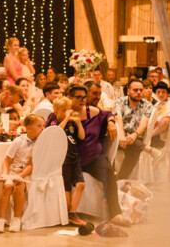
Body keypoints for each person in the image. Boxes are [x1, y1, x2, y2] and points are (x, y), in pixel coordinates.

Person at [45, 84, 123, 225]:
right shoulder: (59, 114)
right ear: (69, 97)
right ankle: (65, 214)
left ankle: (115, 212)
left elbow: (108, 114)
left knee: (108, 170)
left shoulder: (93, 112)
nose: (82, 100)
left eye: (84, 97)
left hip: (92, 158)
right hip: (68, 159)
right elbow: (49, 134)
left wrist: (111, 122)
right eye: (78, 97)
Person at [0, 114, 43, 232]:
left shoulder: (40, 143)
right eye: (39, 126)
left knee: (19, 186)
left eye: (43, 126)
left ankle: (16, 219)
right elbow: (7, 161)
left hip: (27, 172)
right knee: (7, 186)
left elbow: (31, 165)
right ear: (29, 128)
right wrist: (5, 175)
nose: (42, 129)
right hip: (14, 170)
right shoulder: (18, 141)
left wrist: (19, 176)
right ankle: (0, 220)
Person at [50, 97, 86, 220]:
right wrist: (66, 118)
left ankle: (72, 212)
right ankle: (66, 214)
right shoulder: (54, 122)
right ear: (56, 111)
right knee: (66, 188)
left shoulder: (72, 123)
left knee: (81, 184)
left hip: (74, 157)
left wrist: (79, 123)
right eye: (64, 110)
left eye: (68, 109)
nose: (68, 112)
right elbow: (56, 132)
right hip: (62, 159)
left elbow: (81, 136)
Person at [115, 79, 153, 180]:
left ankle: (120, 180)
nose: (139, 92)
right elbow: (118, 118)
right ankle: (145, 148)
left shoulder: (147, 105)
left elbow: (144, 123)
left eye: (141, 90)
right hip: (120, 135)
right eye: (135, 90)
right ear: (128, 91)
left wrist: (135, 134)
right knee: (133, 145)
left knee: (133, 147)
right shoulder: (120, 102)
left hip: (136, 137)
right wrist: (121, 135)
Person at [148, 82, 170, 148]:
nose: (161, 94)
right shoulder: (157, 105)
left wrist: (150, 135)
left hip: (162, 139)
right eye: (158, 92)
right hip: (154, 136)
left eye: (163, 92)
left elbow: (165, 122)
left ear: (167, 93)